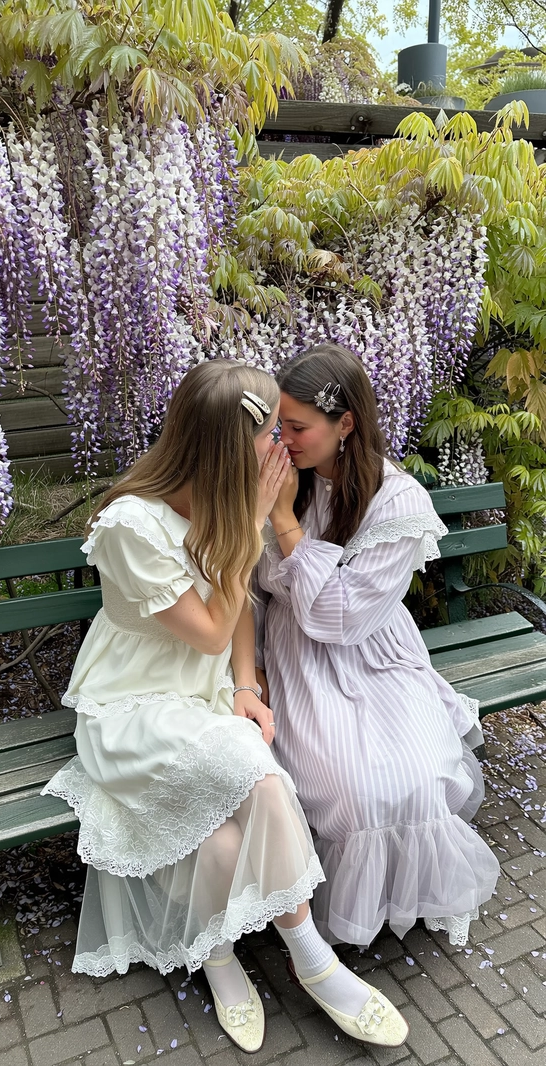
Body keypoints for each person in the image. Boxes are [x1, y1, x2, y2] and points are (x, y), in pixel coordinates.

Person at [42, 359, 409, 1054]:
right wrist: (248, 524)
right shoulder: (131, 526)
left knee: (222, 842)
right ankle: (313, 962)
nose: (284, 449)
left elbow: (236, 618)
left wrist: (245, 685)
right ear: (222, 450)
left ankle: (217, 956)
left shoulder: (223, 500)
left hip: (205, 700)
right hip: (135, 708)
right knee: (259, 769)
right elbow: (210, 623)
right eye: (273, 433)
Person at [254, 343, 500, 951]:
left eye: (298, 426)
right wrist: (250, 667)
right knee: (353, 790)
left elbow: (340, 617)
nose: (283, 440)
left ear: (346, 424)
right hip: (299, 656)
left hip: (375, 652)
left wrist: (286, 524)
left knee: (415, 778)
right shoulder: (280, 478)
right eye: (277, 424)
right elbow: (250, 588)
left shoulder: (398, 501)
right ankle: (335, 908)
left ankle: (409, 893)